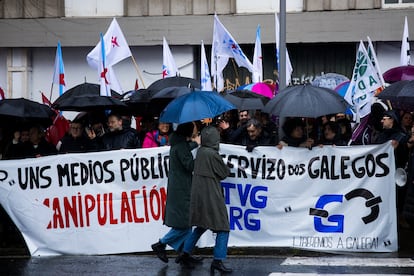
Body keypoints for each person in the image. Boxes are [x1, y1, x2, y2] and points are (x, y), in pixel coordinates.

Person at [178, 125, 232, 274]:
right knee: (223, 227)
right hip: (211, 195)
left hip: (199, 194)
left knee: (201, 225)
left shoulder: (201, 151)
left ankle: (185, 253)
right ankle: (218, 260)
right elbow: (224, 173)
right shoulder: (212, 154)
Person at [151, 122, 201, 266]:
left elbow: (184, 150)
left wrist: (194, 144)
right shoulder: (180, 146)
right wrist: (202, 157)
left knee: (186, 223)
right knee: (185, 224)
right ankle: (161, 244)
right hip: (182, 189)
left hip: (180, 187)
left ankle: (184, 254)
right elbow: (190, 164)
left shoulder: (178, 143)